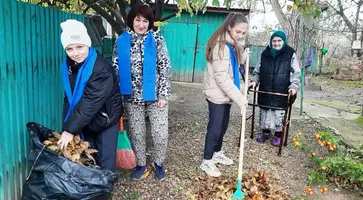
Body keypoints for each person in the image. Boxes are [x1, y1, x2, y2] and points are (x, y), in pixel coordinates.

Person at [112, 4, 172, 181]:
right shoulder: (121, 40)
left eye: (145, 20)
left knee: (160, 134)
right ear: (132, 20)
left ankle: (159, 163)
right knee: (137, 133)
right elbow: (115, 68)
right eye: (137, 20)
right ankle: (140, 164)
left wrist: (163, 94)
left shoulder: (157, 40)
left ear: (150, 22)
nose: (141, 24)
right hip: (131, 97)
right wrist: (117, 97)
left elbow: (165, 68)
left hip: (155, 97)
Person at [57, 19, 123, 173]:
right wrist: (66, 126)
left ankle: (105, 189)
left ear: (88, 44)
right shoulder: (69, 65)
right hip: (87, 118)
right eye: (70, 49)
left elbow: (90, 102)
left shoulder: (100, 68)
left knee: (106, 160)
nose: (76, 53)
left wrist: (70, 129)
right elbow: (69, 97)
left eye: (79, 47)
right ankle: (92, 188)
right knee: (90, 155)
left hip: (106, 117)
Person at [201, 12, 249, 177]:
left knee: (223, 127)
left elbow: (232, 65)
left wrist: (242, 57)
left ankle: (217, 153)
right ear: (229, 28)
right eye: (238, 32)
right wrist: (240, 98)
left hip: (226, 95)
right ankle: (207, 161)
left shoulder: (230, 45)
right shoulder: (220, 47)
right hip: (217, 94)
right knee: (215, 128)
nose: (240, 36)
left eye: (243, 33)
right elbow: (222, 78)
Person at [249, 30, 300, 146]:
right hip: (266, 88)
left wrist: (294, 86)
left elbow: (295, 72)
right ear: (271, 41)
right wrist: (254, 81)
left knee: (279, 113)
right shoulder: (265, 53)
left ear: (284, 41)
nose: (276, 43)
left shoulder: (290, 53)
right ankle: (265, 132)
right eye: (274, 41)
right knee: (265, 111)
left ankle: (278, 135)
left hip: (281, 90)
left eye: (279, 41)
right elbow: (257, 71)